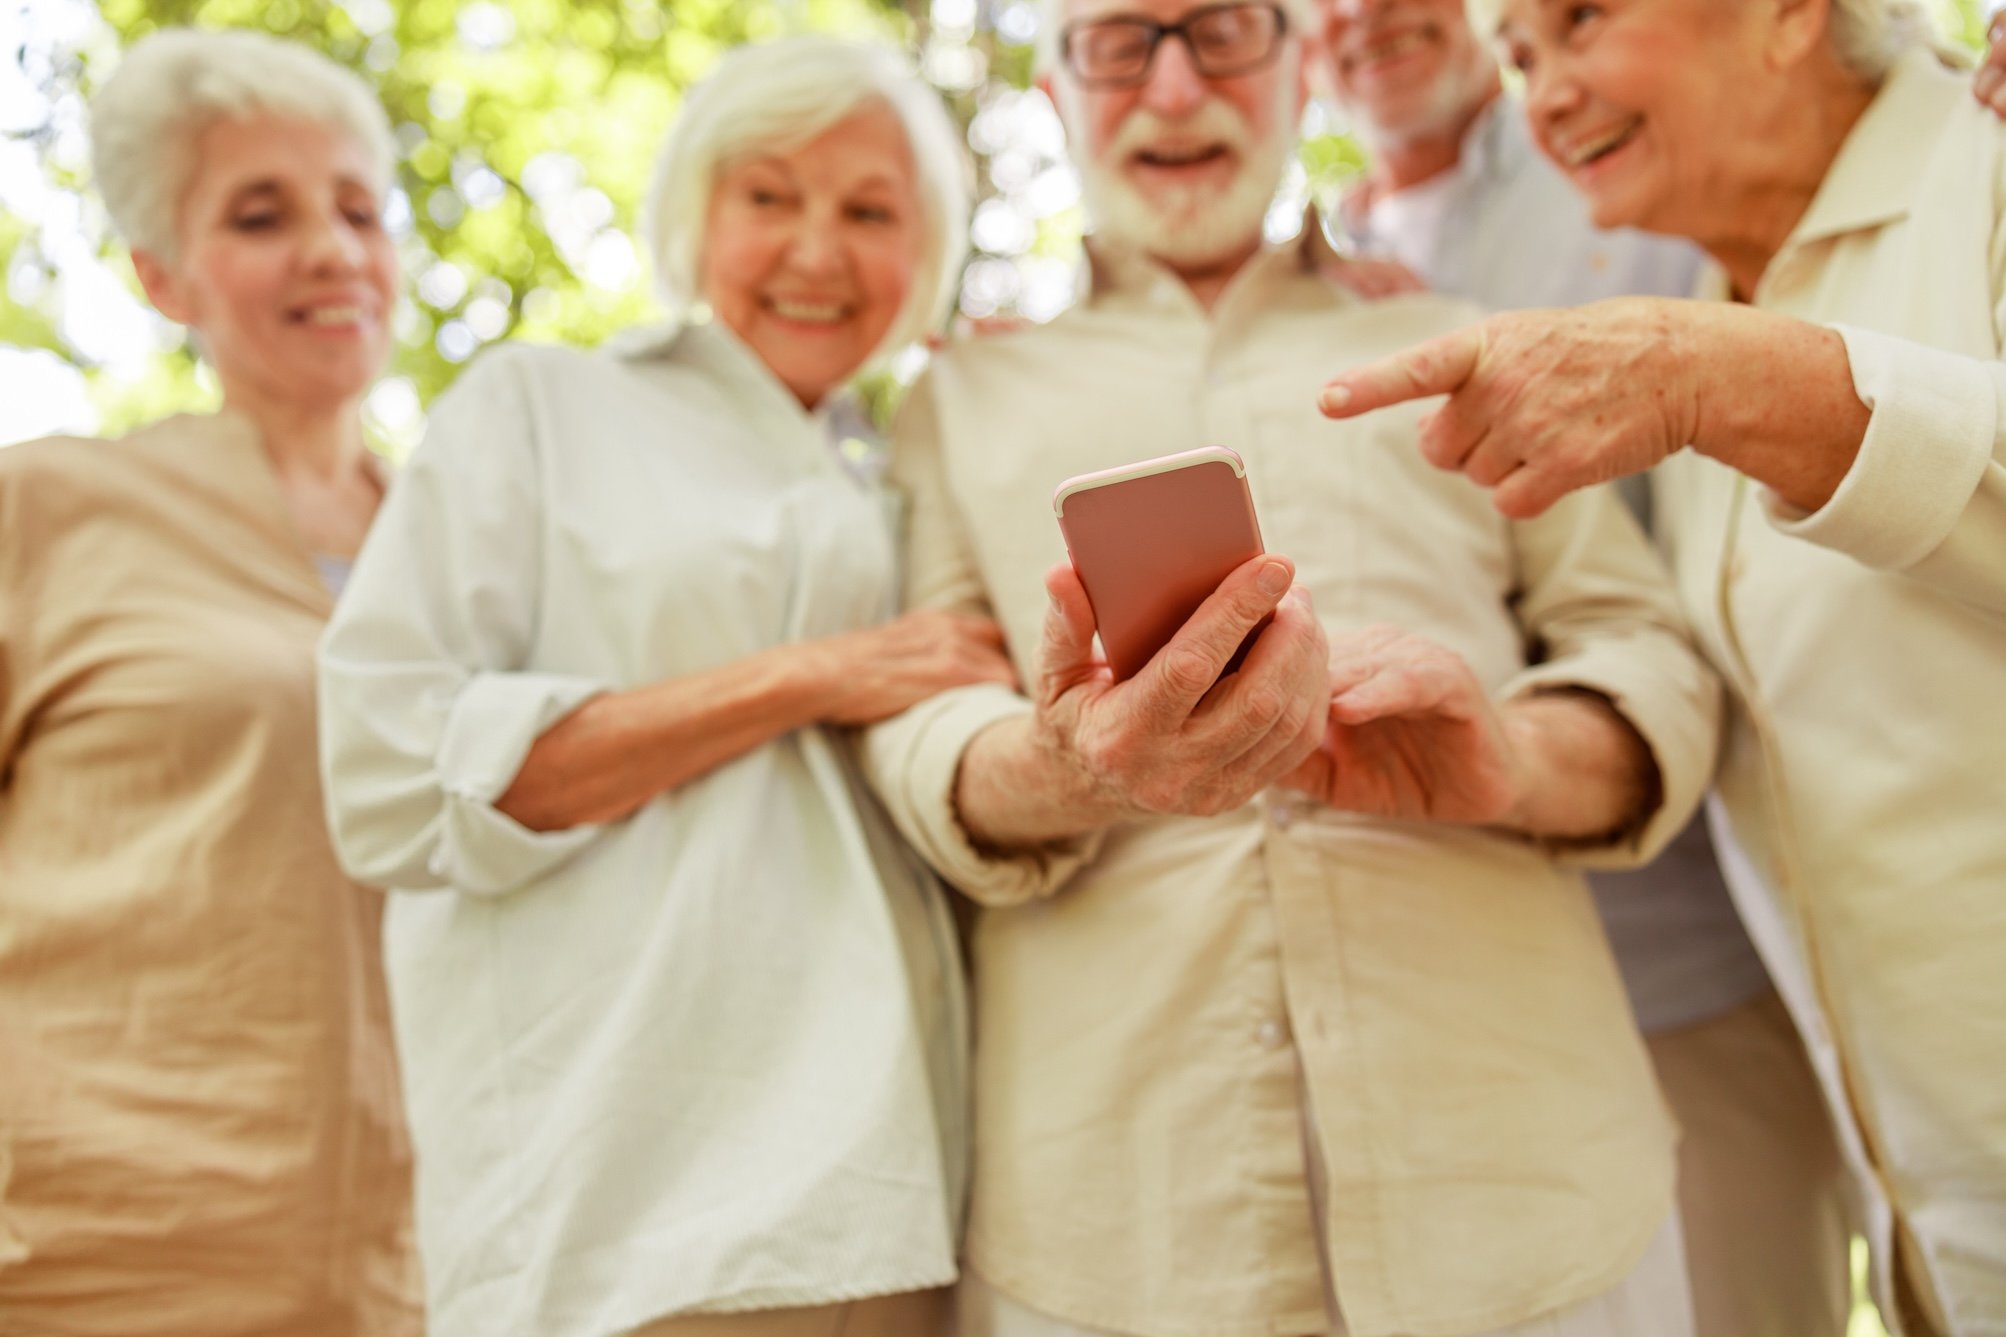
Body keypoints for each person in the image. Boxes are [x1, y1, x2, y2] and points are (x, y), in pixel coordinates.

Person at [855, 1, 1721, 1333]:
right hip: (1114, 1235)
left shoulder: (1462, 337)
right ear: (1057, 93)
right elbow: (918, 724)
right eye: (1118, 43)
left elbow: (1645, 648)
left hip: (1531, 1193)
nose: (1173, 85)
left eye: (1222, 31)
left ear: (1297, 67)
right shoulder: (956, 401)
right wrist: (1066, 768)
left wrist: (1508, 757)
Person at [1317, 0, 2006, 1330]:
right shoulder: (1688, 316)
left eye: (1580, 21)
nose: (1543, 94)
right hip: (1934, 1211)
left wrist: (1727, 380)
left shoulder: (1981, 161)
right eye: (1520, 56)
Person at [317, 36, 1013, 1337]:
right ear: (695, 214)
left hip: (899, 1207)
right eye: (768, 196)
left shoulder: (910, 474)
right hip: (630, 1213)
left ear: (923, 252)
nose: (817, 250)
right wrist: (809, 675)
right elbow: (390, 777)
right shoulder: (540, 407)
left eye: (870, 212)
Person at [0, 27, 420, 1335]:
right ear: (162, 274)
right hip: (86, 1260)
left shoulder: (477, 547)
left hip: (421, 1271)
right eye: (260, 214)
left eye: (359, 209)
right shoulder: (48, 508)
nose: (331, 249)